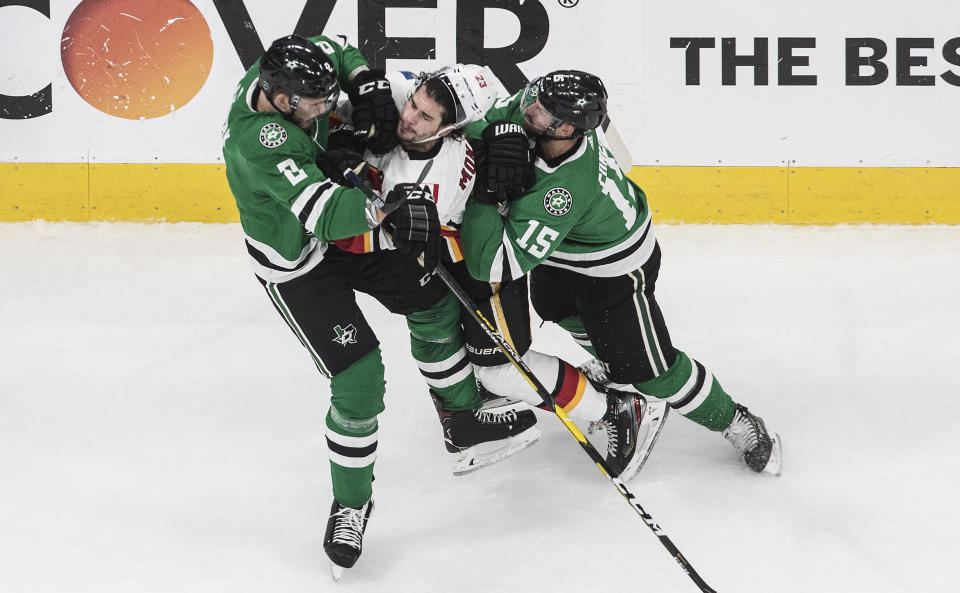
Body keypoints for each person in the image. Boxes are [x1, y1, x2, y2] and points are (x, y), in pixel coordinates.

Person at [220, 35, 539, 580]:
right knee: (360, 379)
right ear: (279, 100)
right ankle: (351, 504)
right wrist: (389, 208)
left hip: (344, 235)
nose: (328, 108)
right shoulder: (263, 139)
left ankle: (460, 419)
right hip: (300, 258)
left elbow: (336, 48)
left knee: (431, 296)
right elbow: (324, 213)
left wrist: (363, 81)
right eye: (317, 104)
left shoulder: (281, 71)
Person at [329, 64, 667, 481]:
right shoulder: (411, 100)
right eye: (413, 104)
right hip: (476, 251)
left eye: (425, 117)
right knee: (476, 356)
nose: (409, 118)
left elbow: (365, 236)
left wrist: (344, 162)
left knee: (500, 366)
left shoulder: (439, 177)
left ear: (450, 128)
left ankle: (613, 410)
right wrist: (358, 102)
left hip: (489, 263)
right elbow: (365, 94)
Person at [460, 70, 783, 476]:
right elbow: (490, 115)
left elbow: (493, 264)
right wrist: (491, 135)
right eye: (534, 102)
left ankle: (734, 421)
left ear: (568, 129)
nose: (528, 110)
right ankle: (611, 362)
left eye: (542, 113)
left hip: (615, 271)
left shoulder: (565, 187)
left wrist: (487, 189)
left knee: (652, 373)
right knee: (556, 307)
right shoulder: (542, 108)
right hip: (565, 251)